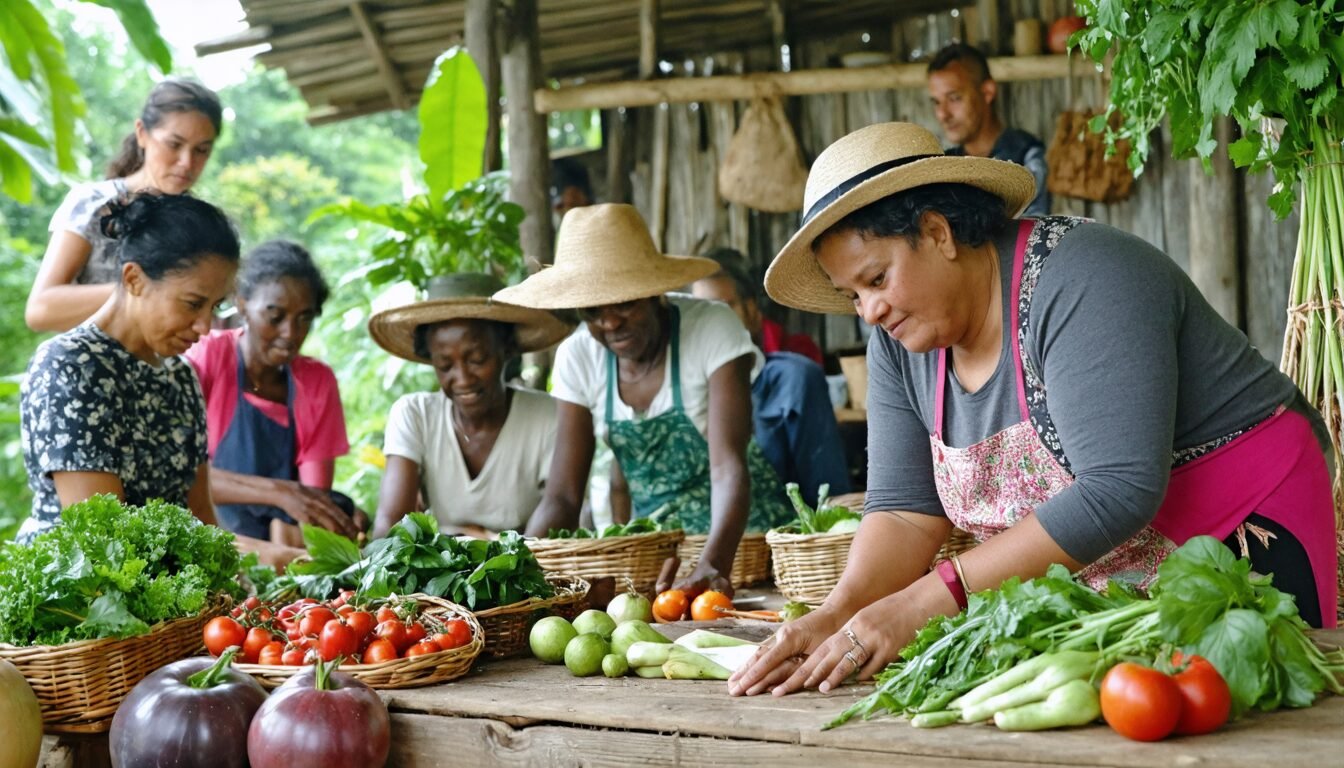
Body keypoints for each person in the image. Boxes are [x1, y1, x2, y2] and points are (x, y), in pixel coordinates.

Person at [729, 121, 1336, 699]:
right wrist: (839, 613)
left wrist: (923, 603)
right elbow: (905, 511)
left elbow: (1117, 488)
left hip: (1241, 534)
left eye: (877, 279)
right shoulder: (898, 343)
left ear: (938, 233)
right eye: (852, 295)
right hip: (1103, 574)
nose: (869, 311)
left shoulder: (1082, 277)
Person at [495, 204, 794, 596]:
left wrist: (713, 564)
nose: (610, 322)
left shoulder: (711, 328)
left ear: (656, 293)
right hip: (658, 557)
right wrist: (516, 568)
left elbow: (728, 468)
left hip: (741, 542)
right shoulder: (578, 356)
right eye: (593, 311)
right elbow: (563, 495)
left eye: (624, 303)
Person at [18, 193, 302, 566]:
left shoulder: (180, 378)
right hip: (85, 603)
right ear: (134, 278)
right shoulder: (70, 366)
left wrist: (280, 563)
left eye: (214, 307)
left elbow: (202, 523)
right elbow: (105, 547)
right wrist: (272, 556)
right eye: (191, 303)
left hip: (167, 607)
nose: (204, 327)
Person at [367, 273, 574, 538]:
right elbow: (392, 520)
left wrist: (508, 564)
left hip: (528, 568)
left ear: (506, 349)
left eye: (477, 359)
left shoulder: (548, 417)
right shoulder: (415, 415)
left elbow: (561, 508)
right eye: (445, 365)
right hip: (442, 573)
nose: (463, 379)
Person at [185, 241, 360, 546]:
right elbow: (179, 476)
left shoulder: (316, 381)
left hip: (282, 537)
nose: (290, 333)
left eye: (304, 318)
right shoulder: (208, 357)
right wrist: (279, 492)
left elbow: (312, 498)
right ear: (242, 304)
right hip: (209, 528)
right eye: (275, 316)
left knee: (337, 509)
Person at [26, 79, 223, 332]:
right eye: (174, 144)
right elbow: (41, 309)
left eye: (202, 150)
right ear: (142, 133)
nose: (186, 162)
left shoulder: (203, 227)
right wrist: (147, 288)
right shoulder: (94, 203)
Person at [692, 247, 850, 506]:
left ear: (752, 310)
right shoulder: (679, 390)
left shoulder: (792, 383)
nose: (711, 326)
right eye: (700, 314)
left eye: (722, 310)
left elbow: (829, 498)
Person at [926, 43, 1050, 217]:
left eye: (954, 98)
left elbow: (1032, 235)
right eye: (936, 102)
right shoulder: (944, 166)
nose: (942, 114)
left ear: (987, 92)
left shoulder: (1028, 156)